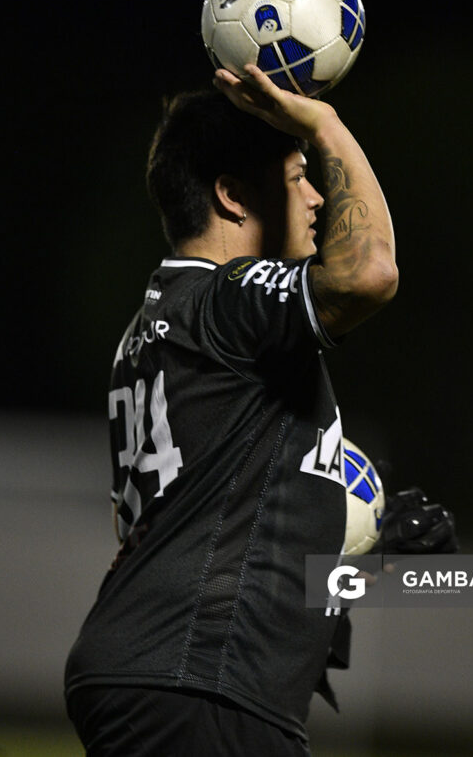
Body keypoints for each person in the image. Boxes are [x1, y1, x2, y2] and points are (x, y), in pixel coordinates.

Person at [64, 63, 399, 756]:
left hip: (165, 671)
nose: (317, 198)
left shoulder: (153, 328)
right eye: (299, 176)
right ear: (232, 196)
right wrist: (326, 123)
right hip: (197, 681)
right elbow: (369, 274)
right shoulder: (227, 300)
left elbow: (195, 521)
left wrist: (356, 548)